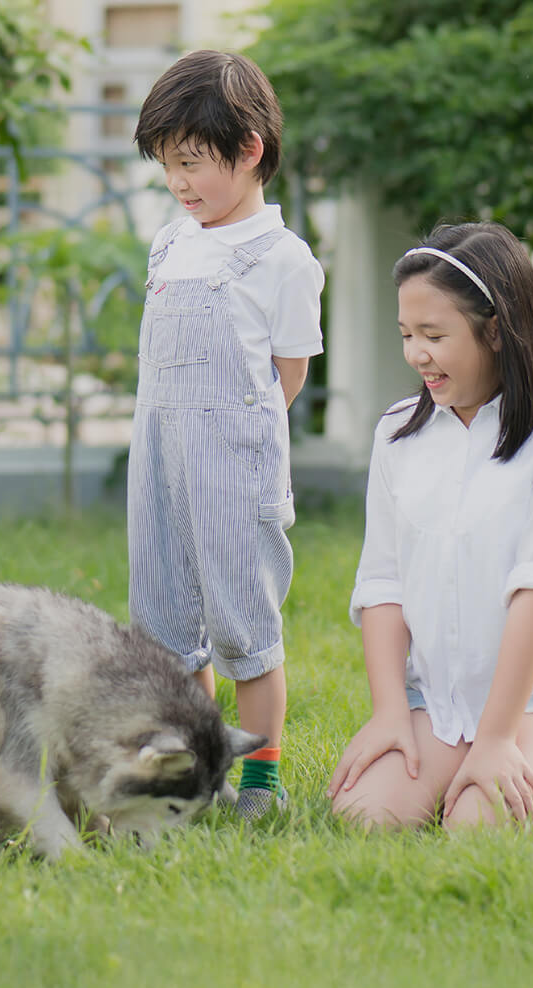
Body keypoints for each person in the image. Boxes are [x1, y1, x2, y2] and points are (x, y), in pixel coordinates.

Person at [327, 221, 533, 831]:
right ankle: (486, 766)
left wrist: (495, 741)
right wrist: (391, 713)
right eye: (407, 334)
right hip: (439, 695)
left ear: (496, 330)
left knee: (478, 828)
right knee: (363, 817)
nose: (416, 354)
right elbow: (382, 584)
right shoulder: (396, 433)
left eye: (434, 335)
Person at [126, 50, 325, 819]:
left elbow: (288, 373)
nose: (179, 184)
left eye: (193, 163)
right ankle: (194, 766)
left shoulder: (281, 259)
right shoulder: (172, 243)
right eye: (169, 166)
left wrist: (233, 441)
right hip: (161, 461)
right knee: (165, 625)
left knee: (245, 624)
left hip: (234, 469)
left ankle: (262, 779)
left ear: (249, 150)